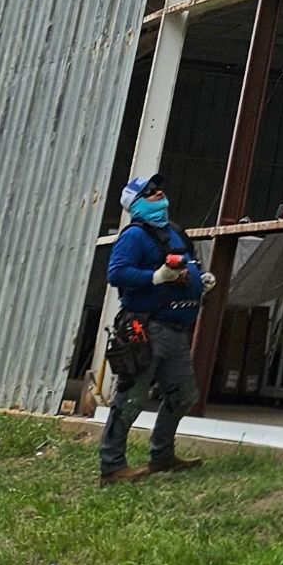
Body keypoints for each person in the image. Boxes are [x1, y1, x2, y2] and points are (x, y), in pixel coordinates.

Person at [100, 172, 207, 486]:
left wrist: (200, 281)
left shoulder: (174, 232)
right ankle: (112, 467)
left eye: (159, 190)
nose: (158, 194)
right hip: (144, 326)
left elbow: (188, 267)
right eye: (149, 193)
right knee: (131, 397)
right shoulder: (133, 236)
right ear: (135, 205)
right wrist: (156, 277)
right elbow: (117, 273)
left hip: (175, 328)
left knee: (184, 393)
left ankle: (162, 455)